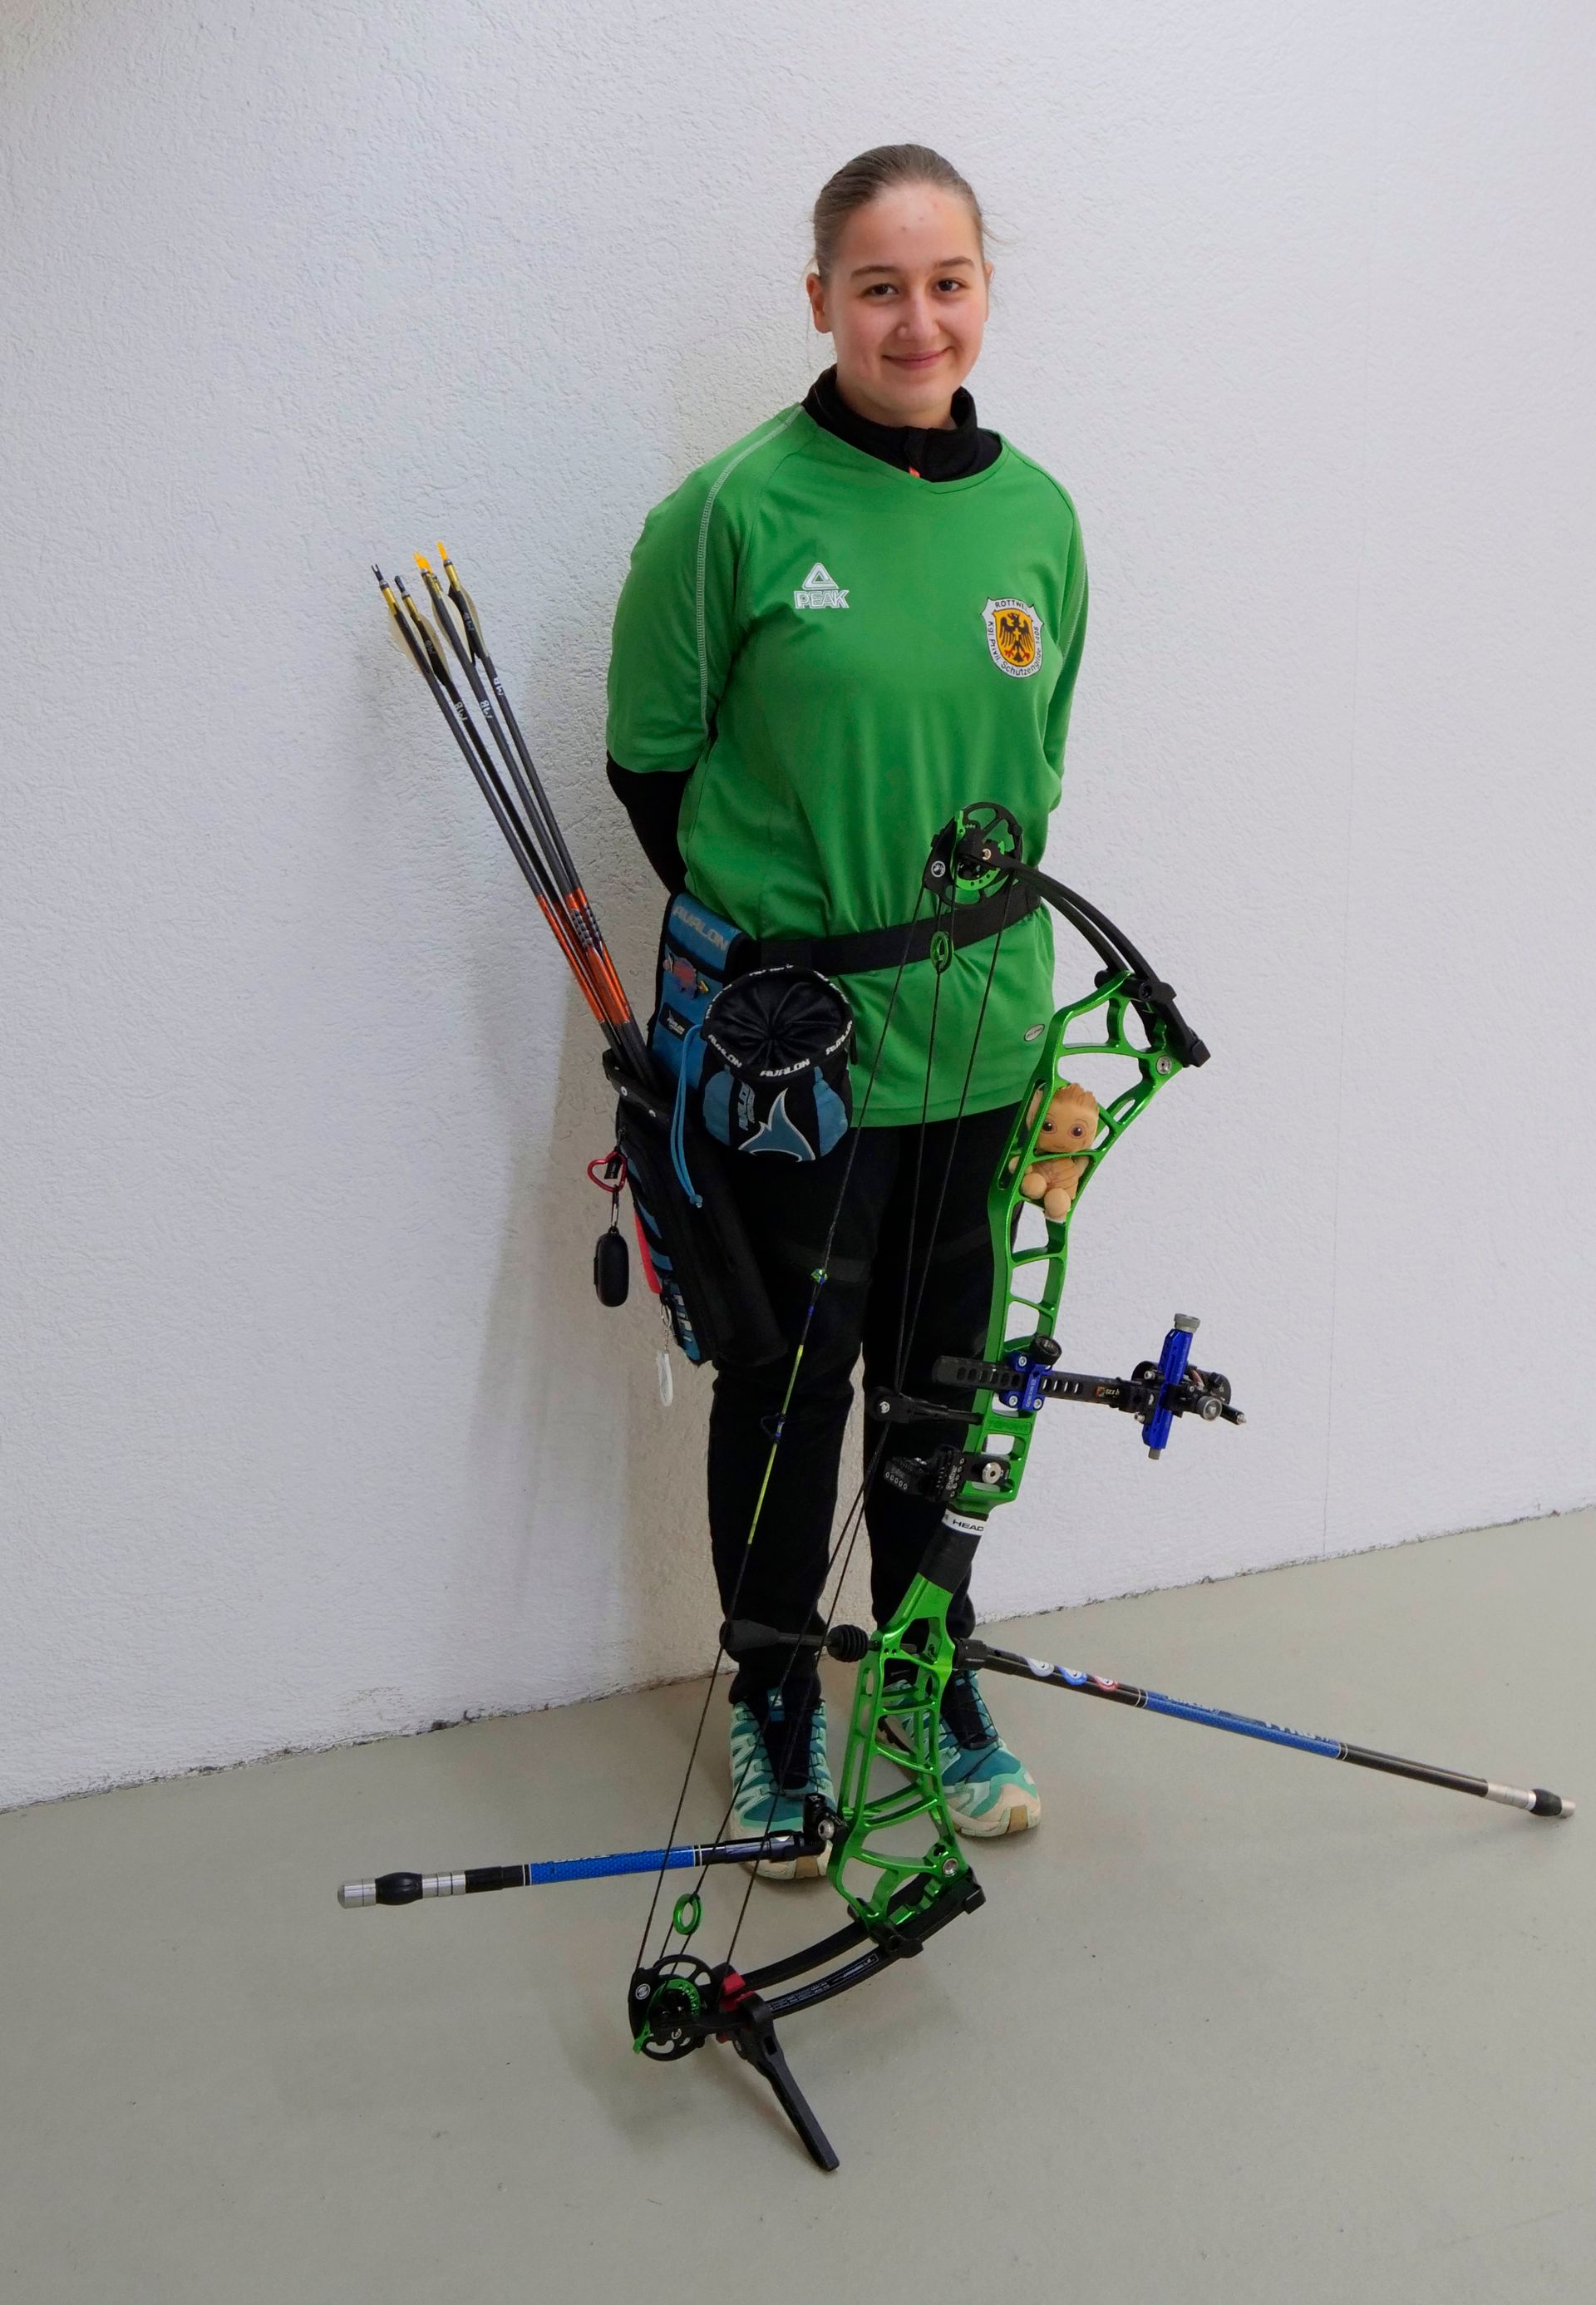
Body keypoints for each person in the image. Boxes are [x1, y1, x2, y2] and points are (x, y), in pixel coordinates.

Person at [606, 145, 1088, 1874]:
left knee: (944, 1383)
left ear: (984, 293)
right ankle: (771, 1694)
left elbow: (1035, 767)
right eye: (878, 285)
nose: (915, 318)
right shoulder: (731, 513)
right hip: (795, 1058)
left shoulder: (1039, 517)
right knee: (789, 1378)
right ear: (820, 299)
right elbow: (653, 767)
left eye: (947, 281)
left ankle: (923, 1668)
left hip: (985, 1032)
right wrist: (795, 960)